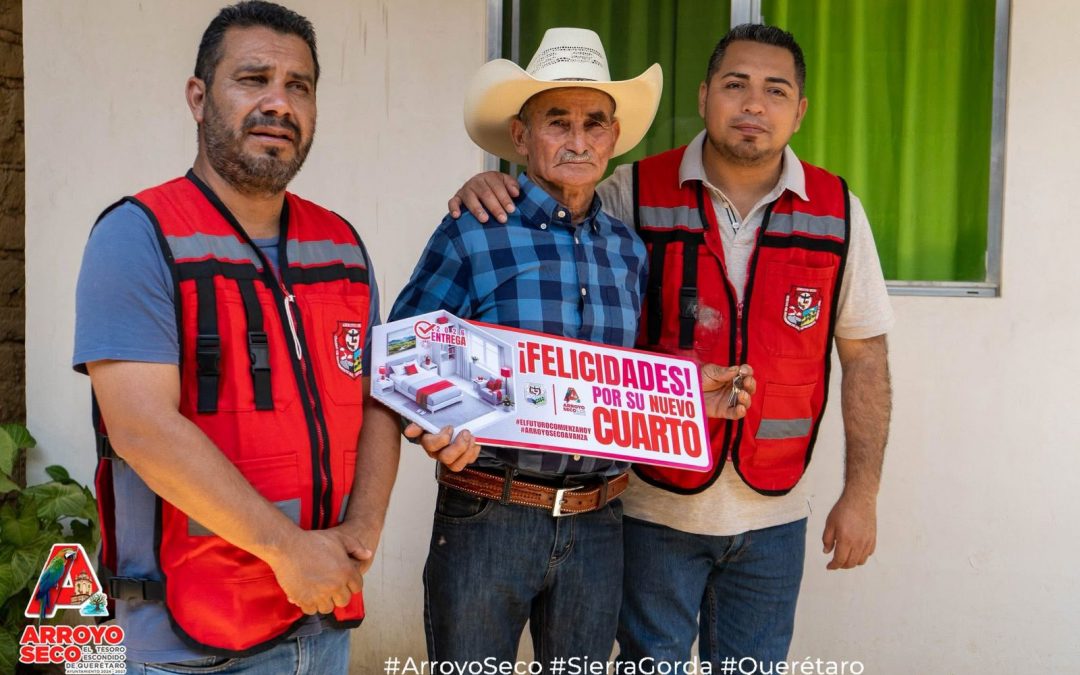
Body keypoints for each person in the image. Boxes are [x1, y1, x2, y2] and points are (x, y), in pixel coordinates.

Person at [449, 23, 893, 668]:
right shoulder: (629, 191)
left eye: (775, 90)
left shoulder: (838, 209)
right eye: (735, 85)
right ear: (705, 93)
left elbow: (866, 359)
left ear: (798, 111)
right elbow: (550, 220)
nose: (752, 104)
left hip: (776, 512)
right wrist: (484, 187)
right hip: (650, 507)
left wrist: (861, 496)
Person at [73, 2, 400, 672]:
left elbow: (379, 399)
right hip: (188, 639)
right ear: (199, 97)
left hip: (323, 624)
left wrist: (359, 537)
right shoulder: (137, 235)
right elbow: (141, 428)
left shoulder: (340, 244)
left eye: (298, 86)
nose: (279, 102)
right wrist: (289, 550)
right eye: (254, 79)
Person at [391, 28, 731, 667]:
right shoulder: (476, 228)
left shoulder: (627, 249)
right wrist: (434, 423)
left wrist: (688, 390)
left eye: (595, 123)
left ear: (613, 137)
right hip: (489, 511)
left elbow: (619, 378)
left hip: (598, 519)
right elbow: (404, 361)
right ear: (520, 137)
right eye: (558, 122)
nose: (578, 140)